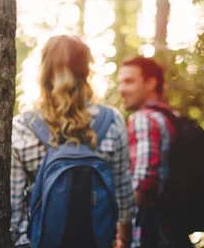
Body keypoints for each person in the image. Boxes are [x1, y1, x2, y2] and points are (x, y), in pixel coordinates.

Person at [10, 35, 135, 248]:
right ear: (87, 71)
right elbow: (123, 193)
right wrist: (124, 238)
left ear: (42, 72)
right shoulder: (112, 120)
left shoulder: (23, 126)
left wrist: (23, 242)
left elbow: (14, 205)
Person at [117, 56, 193, 248]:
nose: (121, 90)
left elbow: (143, 181)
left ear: (151, 83)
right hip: (173, 229)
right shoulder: (171, 117)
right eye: (120, 82)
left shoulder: (143, 119)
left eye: (129, 81)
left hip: (148, 232)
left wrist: (121, 231)